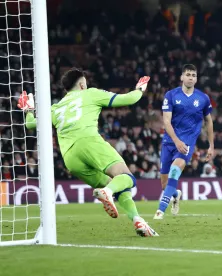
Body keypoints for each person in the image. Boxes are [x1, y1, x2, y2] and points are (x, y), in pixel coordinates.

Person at [18, 68, 158, 237]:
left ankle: (137, 220)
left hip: (70, 158)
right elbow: (129, 99)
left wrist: (28, 111)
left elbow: (31, 125)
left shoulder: (56, 108)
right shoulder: (90, 93)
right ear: (82, 84)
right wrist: (140, 89)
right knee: (127, 178)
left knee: (118, 187)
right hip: (89, 142)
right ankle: (107, 192)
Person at [153, 64, 214, 219]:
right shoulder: (171, 95)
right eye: (188, 74)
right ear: (182, 77)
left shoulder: (203, 98)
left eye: (193, 75)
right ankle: (175, 194)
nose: (190, 78)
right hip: (169, 143)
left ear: (196, 78)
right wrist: (176, 141)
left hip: (187, 144)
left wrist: (211, 145)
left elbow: (209, 121)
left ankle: (160, 210)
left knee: (175, 170)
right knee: (164, 185)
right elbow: (166, 122)